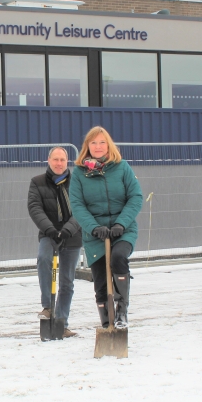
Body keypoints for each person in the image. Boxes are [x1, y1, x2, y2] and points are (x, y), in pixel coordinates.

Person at [69, 126, 143, 329]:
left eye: (102, 142)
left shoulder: (122, 167)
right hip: (95, 234)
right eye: (94, 143)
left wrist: (121, 223)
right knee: (100, 280)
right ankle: (106, 320)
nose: (98, 146)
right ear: (87, 147)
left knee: (119, 258)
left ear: (109, 145)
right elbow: (77, 205)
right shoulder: (79, 174)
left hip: (122, 229)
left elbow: (135, 197)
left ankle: (121, 311)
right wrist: (94, 227)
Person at [27, 146, 82, 338]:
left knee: (67, 282)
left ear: (67, 162)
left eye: (63, 160)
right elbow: (35, 208)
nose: (59, 163)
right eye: (56, 159)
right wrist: (50, 229)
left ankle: (62, 323)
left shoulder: (77, 182)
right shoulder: (37, 182)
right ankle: (48, 306)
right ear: (49, 160)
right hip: (48, 234)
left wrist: (68, 229)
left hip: (72, 235)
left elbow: (82, 208)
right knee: (43, 259)